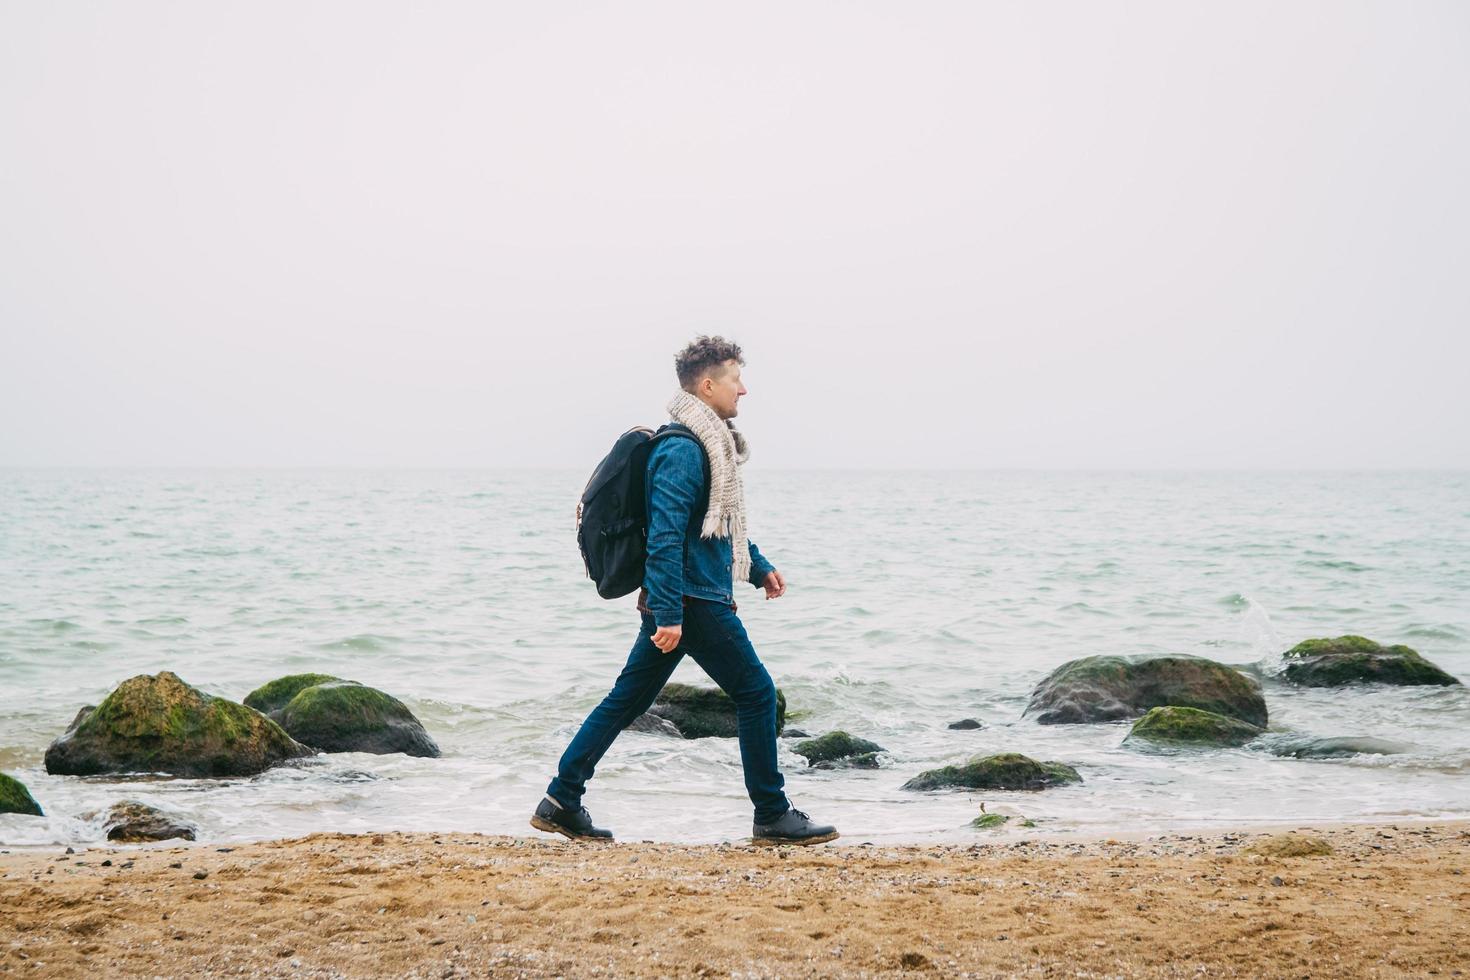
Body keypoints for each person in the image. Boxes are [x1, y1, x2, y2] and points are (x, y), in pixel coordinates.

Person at [531, 335, 839, 846]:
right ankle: (772, 813)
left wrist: (757, 566)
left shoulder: (708, 446)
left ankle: (561, 799)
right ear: (708, 384)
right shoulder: (683, 450)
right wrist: (671, 613)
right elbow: (668, 534)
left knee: (626, 701)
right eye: (737, 380)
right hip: (691, 600)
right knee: (757, 694)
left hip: (686, 595)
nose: (744, 391)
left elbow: (715, 525)